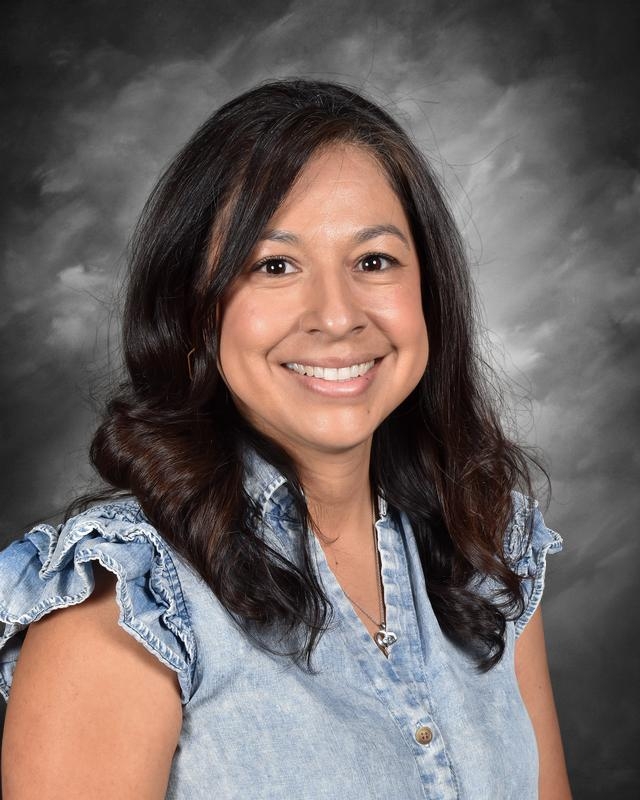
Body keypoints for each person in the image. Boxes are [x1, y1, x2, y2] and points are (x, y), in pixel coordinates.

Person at [0, 79, 571, 799]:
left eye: (374, 261)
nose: (336, 316)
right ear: (196, 314)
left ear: (429, 294)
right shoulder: (126, 605)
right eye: (275, 266)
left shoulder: (489, 544)